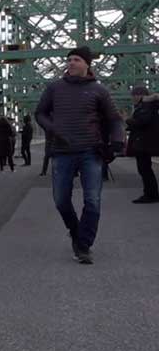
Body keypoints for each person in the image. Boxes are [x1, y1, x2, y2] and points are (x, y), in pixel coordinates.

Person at [35, 46, 123, 265]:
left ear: (87, 64)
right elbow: (40, 113)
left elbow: (114, 119)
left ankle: (83, 246)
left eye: (76, 59)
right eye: (69, 59)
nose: (71, 63)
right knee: (60, 200)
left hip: (90, 151)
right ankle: (76, 232)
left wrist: (117, 142)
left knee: (92, 201)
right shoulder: (54, 88)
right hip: (62, 151)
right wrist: (53, 129)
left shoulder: (98, 90)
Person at [126, 86, 159, 204]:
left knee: (145, 169)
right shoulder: (146, 106)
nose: (132, 98)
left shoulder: (146, 106)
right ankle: (151, 193)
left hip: (144, 143)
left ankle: (151, 194)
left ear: (140, 95)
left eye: (134, 95)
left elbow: (143, 122)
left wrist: (128, 120)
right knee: (145, 169)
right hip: (144, 142)